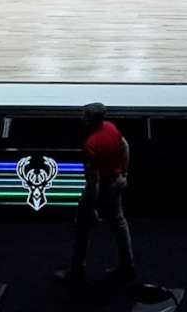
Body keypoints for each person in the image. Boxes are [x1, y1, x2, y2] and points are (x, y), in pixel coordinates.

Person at [59, 103, 135, 287]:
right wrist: (124, 173)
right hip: (116, 181)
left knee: (82, 227)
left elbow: (94, 182)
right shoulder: (110, 127)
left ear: (92, 119)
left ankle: (77, 271)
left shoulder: (90, 144)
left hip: (104, 186)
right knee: (119, 223)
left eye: (85, 116)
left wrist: (92, 207)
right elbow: (125, 146)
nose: (82, 119)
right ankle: (128, 266)